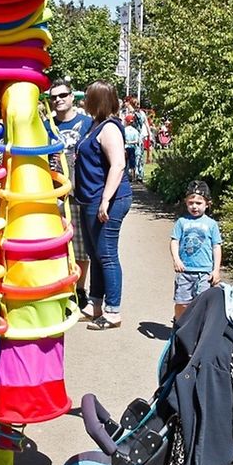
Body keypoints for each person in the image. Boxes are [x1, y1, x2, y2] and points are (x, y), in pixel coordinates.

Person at [73, 80, 131, 331]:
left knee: (106, 255)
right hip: (89, 198)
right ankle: (95, 302)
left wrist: (106, 200)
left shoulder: (110, 128)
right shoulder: (94, 125)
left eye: (88, 97)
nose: (84, 101)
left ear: (97, 100)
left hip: (107, 200)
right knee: (95, 254)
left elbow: (118, 164)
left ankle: (113, 311)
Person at [49, 82, 93, 309]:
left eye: (63, 95)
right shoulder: (48, 125)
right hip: (52, 191)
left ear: (72, 97)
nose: (58, 100)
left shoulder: (87, 123)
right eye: (54, 97)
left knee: (80, 246)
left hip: (79, 191)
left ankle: (79, 289)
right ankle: (59, 288)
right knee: (55, 243)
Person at [170, 180, 222, 322]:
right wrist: (176, 259)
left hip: (205, 272)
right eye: (190, 202)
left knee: (202, 304)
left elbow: (216, 247)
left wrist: (216, 270)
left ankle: (197, 330)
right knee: (182, 303)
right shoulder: (182, 222)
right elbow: (175, 241)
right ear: (186, 203)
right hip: (185, 271)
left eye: (198, 203)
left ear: (207, 204)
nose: (194, 206)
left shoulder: (211, 224)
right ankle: (179, 324)